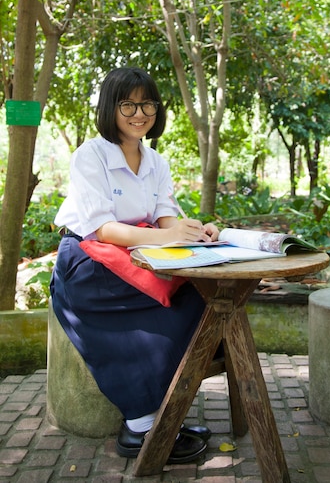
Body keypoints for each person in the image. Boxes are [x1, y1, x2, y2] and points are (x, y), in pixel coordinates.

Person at [50, 67, 220, 462]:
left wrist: (195, 231)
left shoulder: (156, 161)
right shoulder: (89, 155)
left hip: (138, 257)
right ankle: (142, 426)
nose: (139, 112)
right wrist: (166, 237)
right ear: (110, 107)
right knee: (156, 318)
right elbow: (101, 228)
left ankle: (164, 413)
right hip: (88, 266)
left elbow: (165, 218)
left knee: (201, 297)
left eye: (147, 103)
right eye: (128, 103)